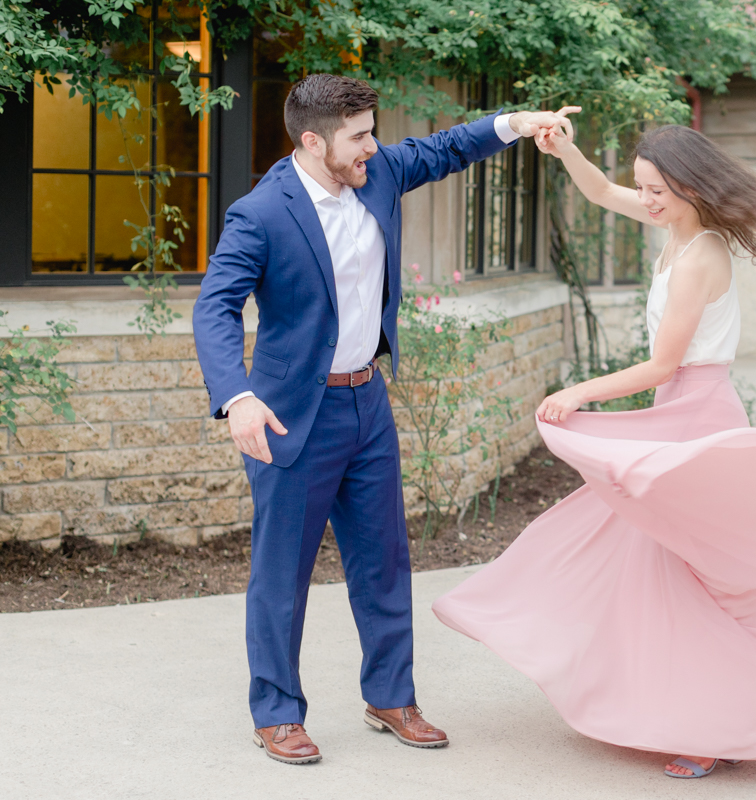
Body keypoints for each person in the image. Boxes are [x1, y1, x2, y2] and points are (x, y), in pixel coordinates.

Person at [433, 123, 756, 778]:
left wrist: (578, 393)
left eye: (656, 190)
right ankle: (684, 710)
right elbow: (599, 192)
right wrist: (564, 149)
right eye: (643, 187)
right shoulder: (673, 227)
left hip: (698, 418)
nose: (644, 199)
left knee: (707, 579)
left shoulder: (702, 253)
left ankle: (724, 722)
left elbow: (663, 363)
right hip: (674, 415)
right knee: (642, 560)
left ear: (688, 186)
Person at [192, 73, 575, 765]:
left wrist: (520, 121)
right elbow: (215, 306)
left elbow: (448, 148)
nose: (375, 145)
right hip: (289, 418)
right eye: (359, 135)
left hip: (368, 402)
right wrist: (237, 396)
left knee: (384, 561)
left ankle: (391, 697)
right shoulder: (261, 213)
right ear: (313, 141)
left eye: (373, 131)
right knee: (282, 572)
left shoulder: (377, 174)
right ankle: (277, 711)